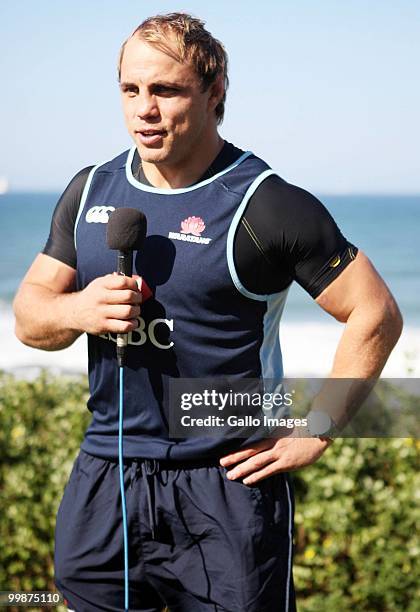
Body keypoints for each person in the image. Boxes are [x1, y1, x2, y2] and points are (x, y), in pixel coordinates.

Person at [13, 12, 403, 612]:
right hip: (106, 474)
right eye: (130, 89)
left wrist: (318, 428)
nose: (143, 108)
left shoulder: (266, 203)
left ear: (215, 92)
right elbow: (30, 317)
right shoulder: (90, 190)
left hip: (228, 480)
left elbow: (375, 314)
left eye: (165, 90)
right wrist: (79, 309)